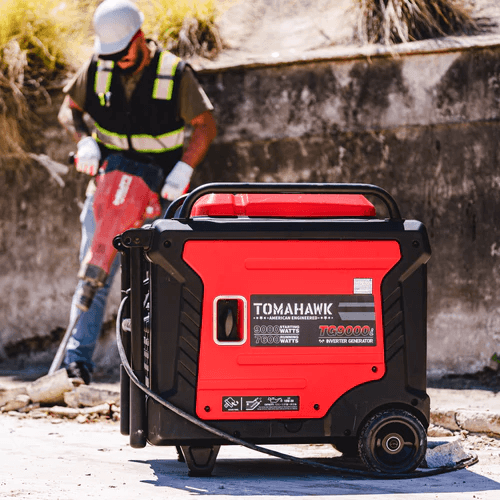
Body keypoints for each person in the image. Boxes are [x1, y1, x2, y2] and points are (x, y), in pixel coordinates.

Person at [58, 0, 217, 384]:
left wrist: (184, 168)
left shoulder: (174, 73)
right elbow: (68, 108)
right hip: (109, 190)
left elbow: (205, 124)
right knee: (94, 272)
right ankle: (75, 365)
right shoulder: (98, 67)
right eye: (112, 54)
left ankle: (155, 373)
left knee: (157, 282)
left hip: (157, 195)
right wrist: (84, 140)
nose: (118, 61)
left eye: (124, 52)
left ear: (139, 37)